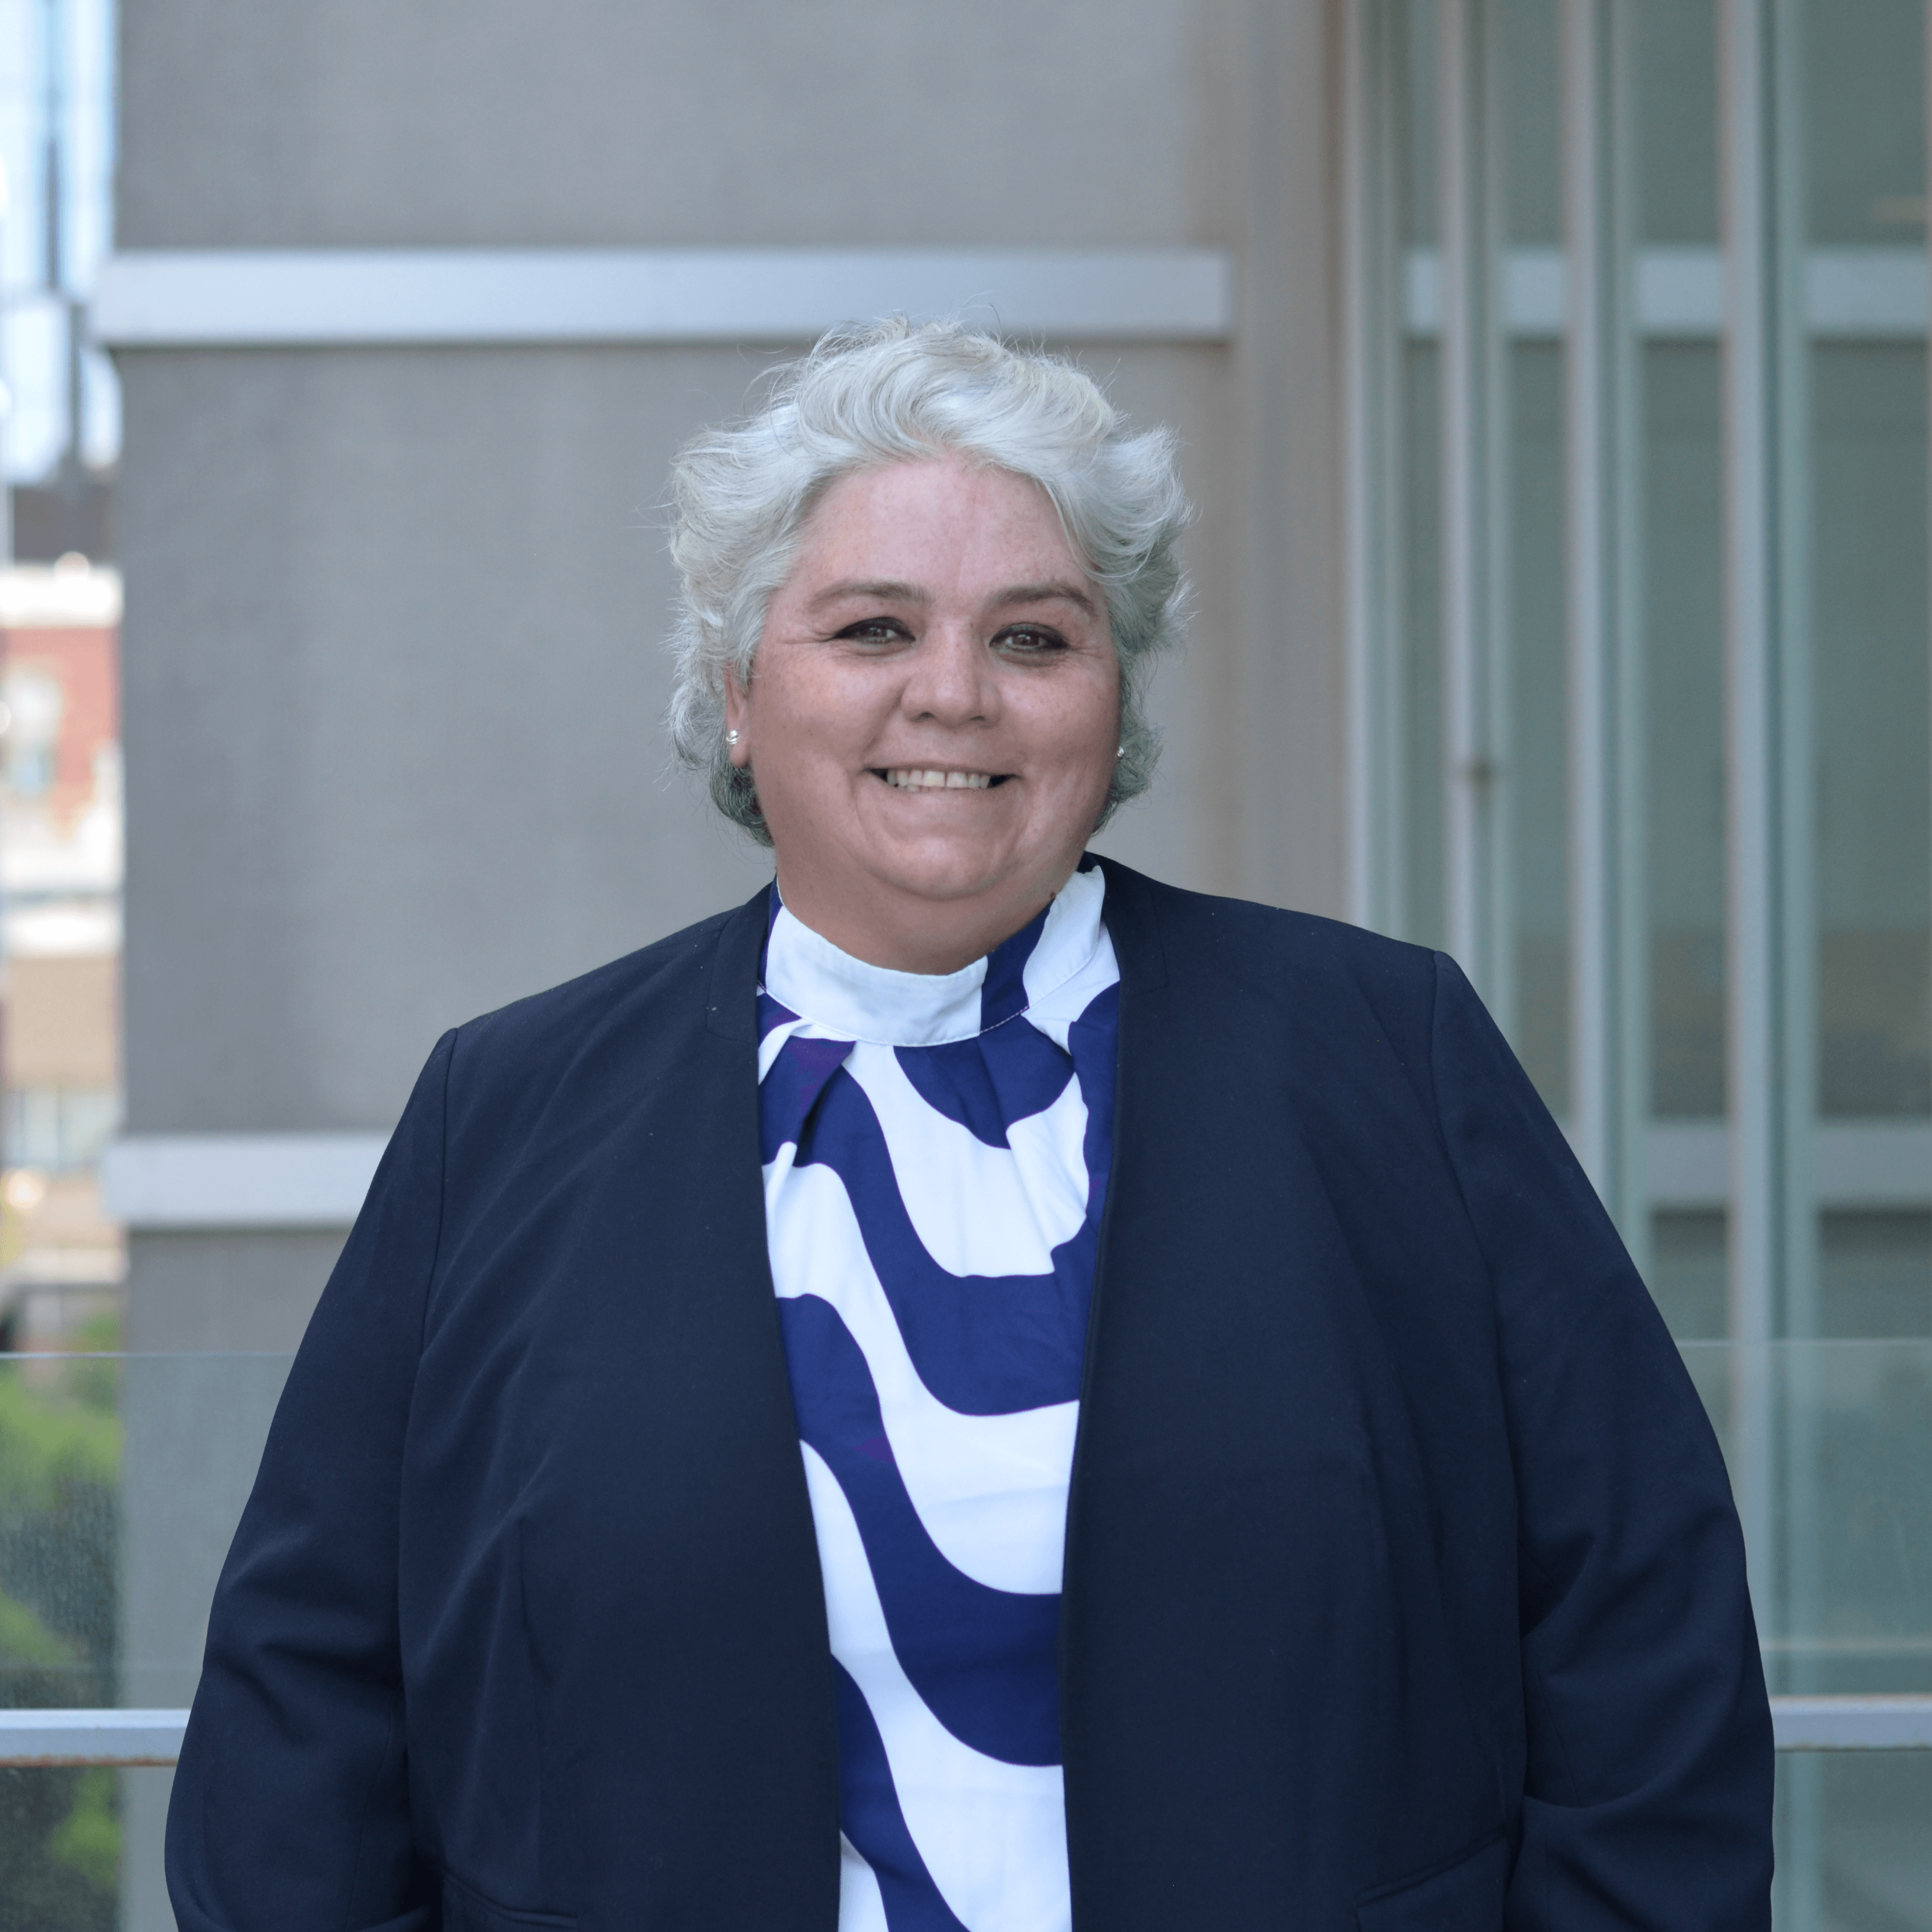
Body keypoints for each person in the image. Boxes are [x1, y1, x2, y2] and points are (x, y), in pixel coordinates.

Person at [166, 320, 1773, 1932]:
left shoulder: (1385, 1052)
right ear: (737, 693)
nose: (955, 696)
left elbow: (1642, 1627)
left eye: (1035, 639)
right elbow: (303, 1712)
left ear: (1113, 696)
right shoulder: (503, 1115)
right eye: (873, 628)